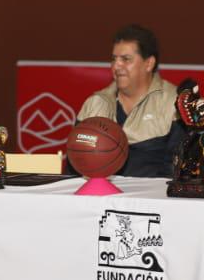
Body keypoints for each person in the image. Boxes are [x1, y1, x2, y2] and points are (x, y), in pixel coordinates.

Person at [76, 24, 179, 177]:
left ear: (149, 63)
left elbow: (178, 171)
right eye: (114, 59)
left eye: (126, 59)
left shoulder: (175, 103)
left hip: (153, 199)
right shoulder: (95, 103)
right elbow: (75, 166)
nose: (116, 65)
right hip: (99, 199)